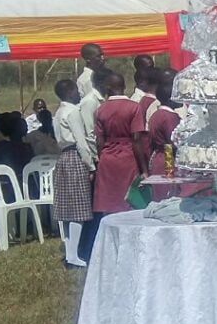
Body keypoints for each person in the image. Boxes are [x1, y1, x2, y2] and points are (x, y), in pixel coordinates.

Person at [80, 72, 150, 260]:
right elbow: (137, 140)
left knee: (109, 205)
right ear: (123, 86)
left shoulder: (101, 110)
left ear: (108, 88)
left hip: (108, 159)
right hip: (128, 158)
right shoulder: (133, 107)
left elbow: (99, 140)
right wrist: (144, 169)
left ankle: (110, 249)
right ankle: (133, 247)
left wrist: (101, 158)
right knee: (129, 202)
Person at [52, 80, 92, 267]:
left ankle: (70, 253)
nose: (79, 93)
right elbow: (81, 142)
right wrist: (90, 165)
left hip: (62, 159)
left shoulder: (58, 112)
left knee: (68, 210)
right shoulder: (73, 112)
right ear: (69, 91)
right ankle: (74, 254)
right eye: (76, 90)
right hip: (75, 156)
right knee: (78, 210)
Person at [78, 66, 111, 170]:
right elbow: (89, 133)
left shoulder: (103, 99)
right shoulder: (90, 102)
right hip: (95, 157)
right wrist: (98, 156)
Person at [147, 83, 182, 177]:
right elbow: (173, 143)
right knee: (170, 189)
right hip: (168, 159)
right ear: (170, 99)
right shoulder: (169, 117)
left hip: (159, 157)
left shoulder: (157, 114)